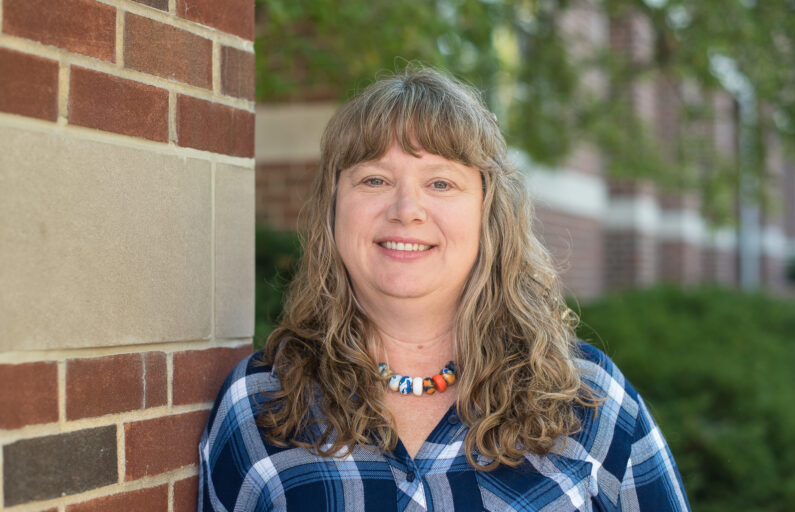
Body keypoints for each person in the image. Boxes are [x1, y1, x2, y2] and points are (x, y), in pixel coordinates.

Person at [199, 66, 690, 511]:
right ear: (333, 210)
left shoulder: (585, 398)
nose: (405, 208)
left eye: (441, 184)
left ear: (487, 214)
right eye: (373, 179)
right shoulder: (262, 404)